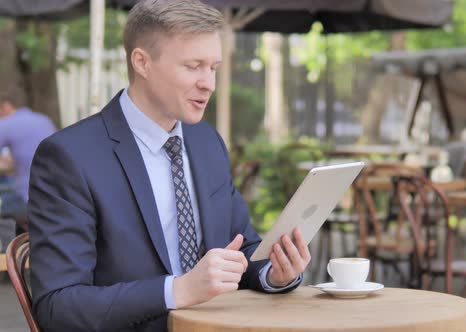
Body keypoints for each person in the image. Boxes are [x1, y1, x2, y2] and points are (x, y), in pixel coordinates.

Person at [28, 1, 311, 331]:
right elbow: (58, 308)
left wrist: (273, 272)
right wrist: (178, 290)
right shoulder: (69, 157)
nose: (209, 83)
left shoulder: (206, 142)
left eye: (213, 68)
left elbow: (241, 248)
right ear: (142, 62)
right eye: (194, 66)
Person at [0, 95, 55, 226]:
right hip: (53, 193)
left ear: (6, 106)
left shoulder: (6, 124)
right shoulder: (44, 119)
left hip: (26, 196)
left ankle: (7, 244)